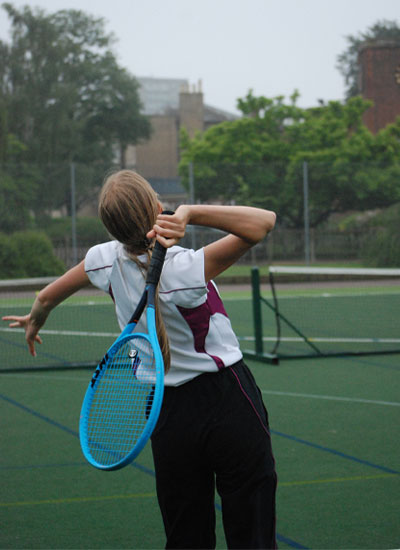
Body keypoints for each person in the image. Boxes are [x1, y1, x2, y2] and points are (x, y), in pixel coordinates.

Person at [3, 169, 277, 549]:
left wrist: (33, 322)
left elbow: (47, 297)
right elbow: (263, 223)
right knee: (253, 531)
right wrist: (190, 213)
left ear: (111, 226)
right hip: (228, 401)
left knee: (186, 536)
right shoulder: (185, 267)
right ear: (154, 207)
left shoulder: (103, 261)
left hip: (166, 411)